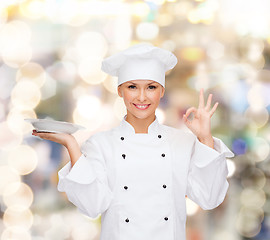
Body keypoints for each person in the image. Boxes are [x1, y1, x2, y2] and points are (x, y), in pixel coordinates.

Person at [32, 43, 234, 240]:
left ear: (161, 91)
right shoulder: (101, 144)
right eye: (132, 87)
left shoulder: (182, 142)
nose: (142, 97)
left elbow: (208, 198)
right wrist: (72, 145)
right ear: (120, 90)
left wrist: (205, 138)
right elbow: (92, 206)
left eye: (151, 87)